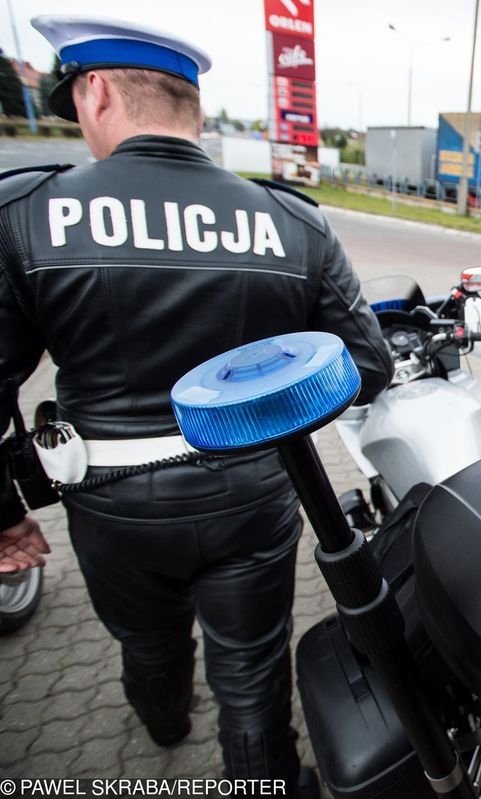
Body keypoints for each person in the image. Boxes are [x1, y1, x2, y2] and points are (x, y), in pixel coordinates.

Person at [0, 15, 393, 795]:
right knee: (250, 673)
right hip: (253, 494)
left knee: (147, 645)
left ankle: (166, 723)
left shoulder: (27, 212)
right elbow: (368, 365)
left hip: (111, 506)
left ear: (97, 92)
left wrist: (4, 513)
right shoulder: (291, 218)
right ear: (196, 111)